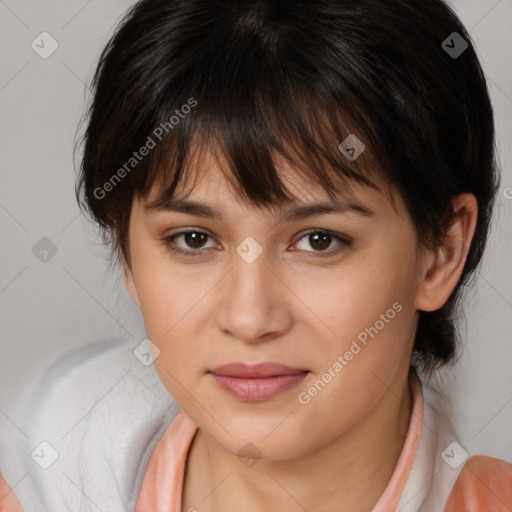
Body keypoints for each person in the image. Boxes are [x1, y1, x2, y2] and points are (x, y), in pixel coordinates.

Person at [1, 0, 511, 510]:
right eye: (193, 239)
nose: (249, 318)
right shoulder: (43, 476)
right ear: (125, 251)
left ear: (441, 252)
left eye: (318, 240)